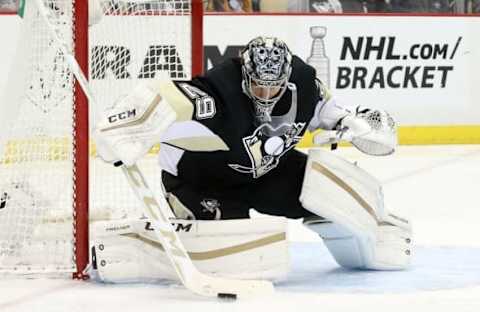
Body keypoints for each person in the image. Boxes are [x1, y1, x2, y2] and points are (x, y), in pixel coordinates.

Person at [94, 37, 412, 280]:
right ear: (245, 74)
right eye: (258, 87)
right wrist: (130, 124)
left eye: (273, 88)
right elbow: (169, 96)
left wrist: (362, 127)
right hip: (201, 183)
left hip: (264, 175)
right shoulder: (218, 93)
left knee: (331, 186)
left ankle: (375, 232)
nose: (266, 95)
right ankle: (143, 245)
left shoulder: (305, 87)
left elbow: (341, 114)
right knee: (235, 256)